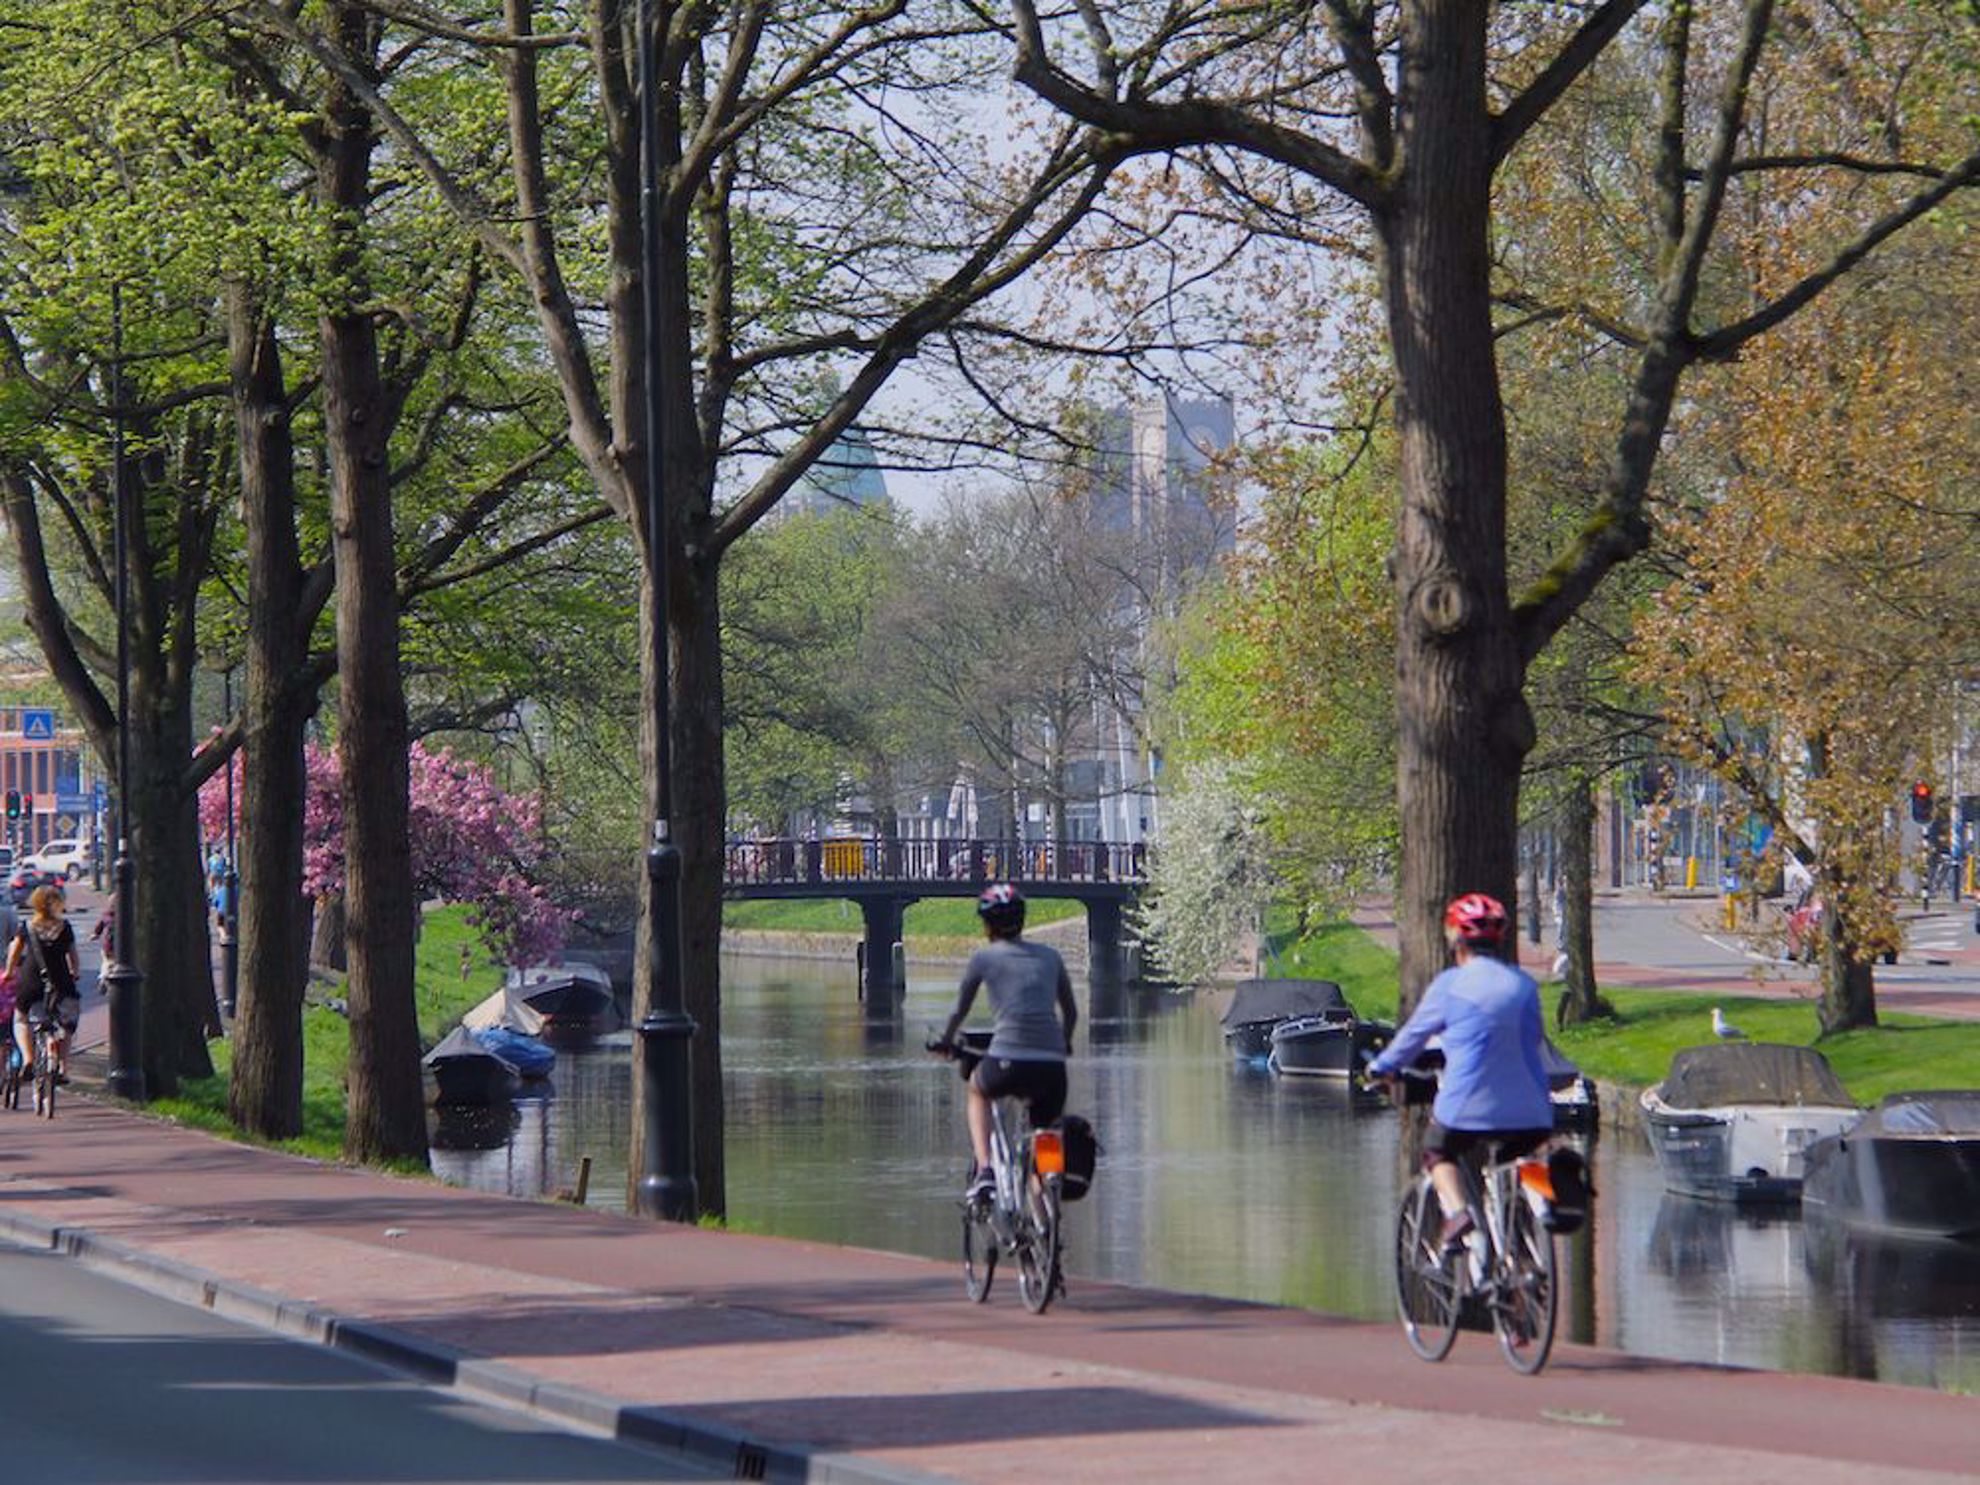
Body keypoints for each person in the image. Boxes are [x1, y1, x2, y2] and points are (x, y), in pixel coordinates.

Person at [1365, 892, 1552, 1249]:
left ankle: (1457, 1215)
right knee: (1520, 1157)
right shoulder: (1524, 985)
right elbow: (1534, 1038)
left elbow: (1413, 1037)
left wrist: (1380, 1067)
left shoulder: (1450, 985)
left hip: (1468, 1108)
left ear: (1456, 941)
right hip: (1534, 1110)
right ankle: (1530, 1235)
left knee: (1437, 1149)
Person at [939, 883, 1079, 1202]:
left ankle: (986, 1170)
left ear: (987, 924)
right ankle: (1047, 1213)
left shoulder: (984, 958)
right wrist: (1065, 1043)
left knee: (977, 1089)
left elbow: (958, 1010)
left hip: (1006, 1061)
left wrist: (946, 1042)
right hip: (1051, 1067)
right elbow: (1070, 1012)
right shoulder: (1051, 957)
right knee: (1046, 1130)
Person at [7, 884, 84, 1085]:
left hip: (31, 981)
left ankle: (28, 1059)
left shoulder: (27, 927)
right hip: (60, 982)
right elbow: (74, 958)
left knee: (21, 1019)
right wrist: (75, 973)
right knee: (66, 1023)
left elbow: (14, 953)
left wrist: (8, 973)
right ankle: (63, 1068)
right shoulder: (65, 928)